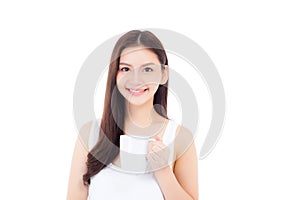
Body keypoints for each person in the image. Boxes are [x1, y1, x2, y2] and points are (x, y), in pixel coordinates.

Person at [67, 30, 198, 200]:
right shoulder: (91, 133)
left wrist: (163, 171)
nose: (135, 79)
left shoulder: (180, 138)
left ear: (163, 74)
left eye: (147, 69)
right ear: (115, 74)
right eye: (125, 69)